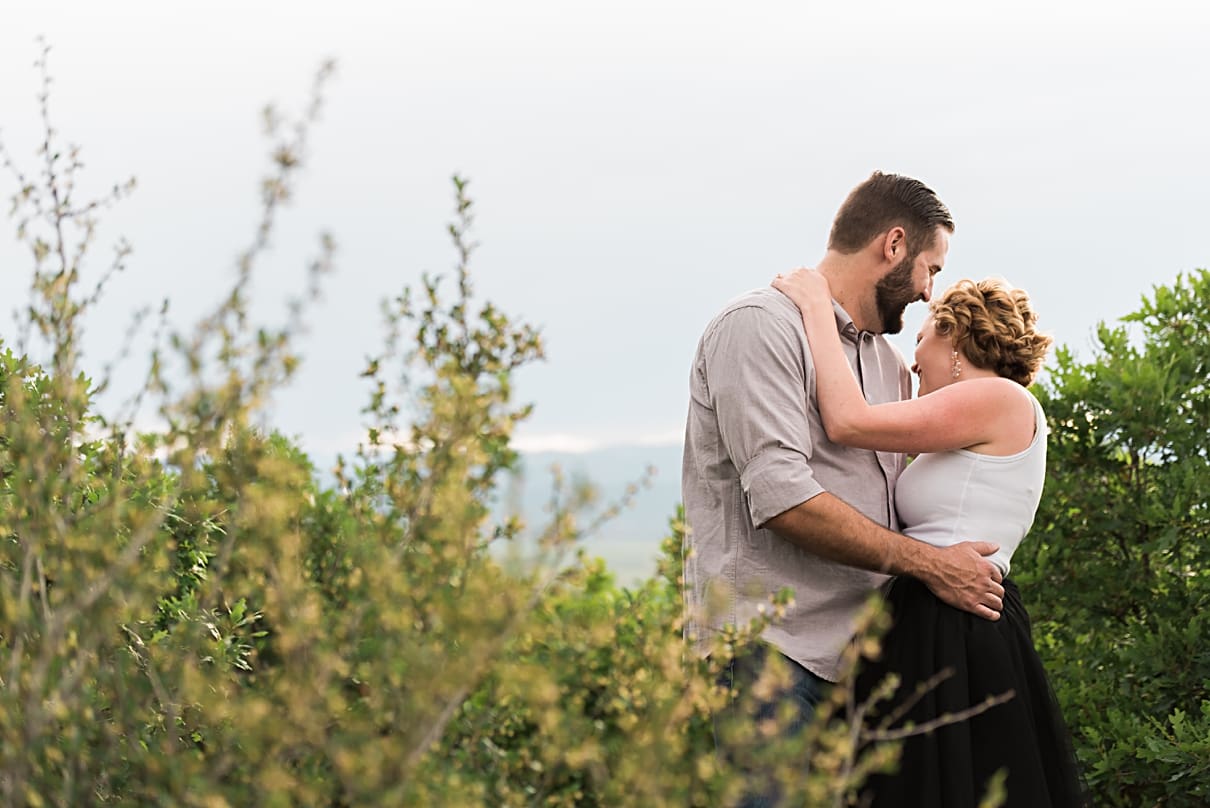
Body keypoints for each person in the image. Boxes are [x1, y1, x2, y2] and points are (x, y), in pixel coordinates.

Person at [681, 171, 1004, 806]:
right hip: (773, 659)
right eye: (930, 269)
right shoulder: (759, 327)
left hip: (865, 669)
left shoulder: (887, 364)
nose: (929, 291)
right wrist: (932, 566)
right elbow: (784, 501)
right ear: (893, 245)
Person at [771, 267, 1086, 806]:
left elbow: (847, 421)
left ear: (956, 338)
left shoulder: (999, 399)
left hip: (955, 626)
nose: (913, 360)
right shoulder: (970, 422)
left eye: (921, 339)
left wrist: (816, 311)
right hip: (932, 610)